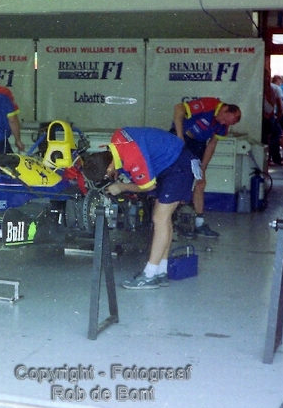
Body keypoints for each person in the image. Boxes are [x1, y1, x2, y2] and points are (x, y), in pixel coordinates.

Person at [82, 127, 196, 290]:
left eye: (107, 176)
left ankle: (149, 275)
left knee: (159, 219)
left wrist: (121, 186)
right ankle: (160, 272)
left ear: (108, 168)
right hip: (170, 161)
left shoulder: (131, 156)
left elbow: (148, 187)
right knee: (163, 218)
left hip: (178, 165)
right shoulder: (116, 142)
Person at [171, 97, 242, 237]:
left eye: (227, 123)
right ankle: (171, 222)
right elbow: (179, 108)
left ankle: (199, 223)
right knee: (178, 179)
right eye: (224, 119)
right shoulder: (210, 104)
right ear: (225, 109)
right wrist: (179, 137)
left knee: (200, 182)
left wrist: (203, 168)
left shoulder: (223, 126)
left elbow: (212, 144)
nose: (222, 123)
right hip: (181, 138)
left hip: (198, 145)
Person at [263, 75, 283, 166]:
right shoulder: (276, 88)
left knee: (265, 137)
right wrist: (279, 114)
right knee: (276, 135)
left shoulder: (260, 86)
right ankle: (274, 157)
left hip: (262, 115)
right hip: (271, 115)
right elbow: (279, 103)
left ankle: (268, 158)